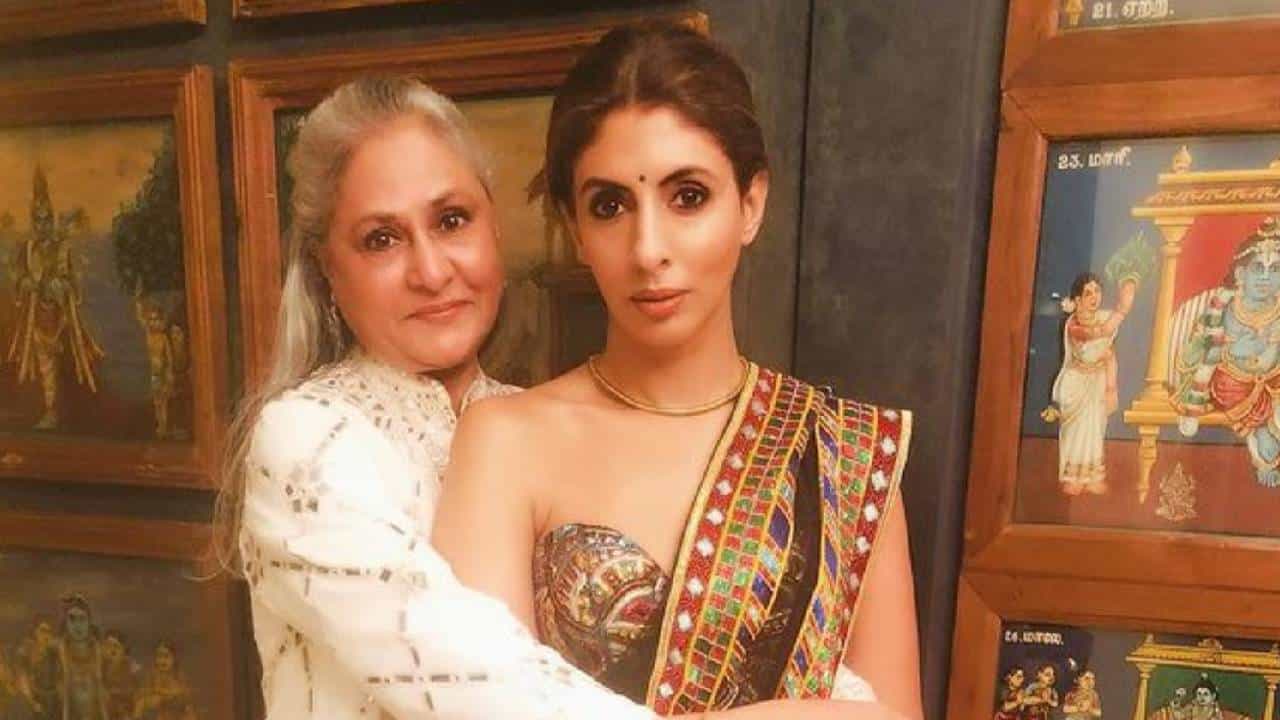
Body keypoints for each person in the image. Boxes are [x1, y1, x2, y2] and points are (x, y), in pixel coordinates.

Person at [216, 75, 815, 720]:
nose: (432, 271)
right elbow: (479, 683)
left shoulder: (534, 424)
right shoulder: (308, 440)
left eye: (452, 221)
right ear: (327, 269)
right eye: (381, 239)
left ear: (493, 228)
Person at [433, 21, 920, 720]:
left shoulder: (843, 454)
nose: (648, 248)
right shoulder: (505, 440)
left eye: (688, 196)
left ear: (750, 204)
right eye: (610, 206)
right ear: (575, 228)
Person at [1174, 218, 1280, 487]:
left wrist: (1266, 353)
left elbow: (1270, 358)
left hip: (1274, 381)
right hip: (1234, 384)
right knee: (1266, 443)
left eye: (1275, 269)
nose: (1266, 277)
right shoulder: (1224, 307)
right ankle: (1261, 442)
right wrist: (1236, 350)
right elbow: (1201, 353)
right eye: (1258, 268)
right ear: (1241, 274)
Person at [1043, 271, 1136, 495]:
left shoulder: (1103, 317)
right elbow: (1099, 333)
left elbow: (1109, 352)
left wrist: (1111, 387)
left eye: (1097, 291)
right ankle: (1073, 478)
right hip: (1077, 384)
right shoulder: (1073, 325)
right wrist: (1122, 309)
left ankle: (1093, 476)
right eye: (1088, 293)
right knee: (1076, 432)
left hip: (1097, 382)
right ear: (1077, 300)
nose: (1095, 297)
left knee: (1095, 430)